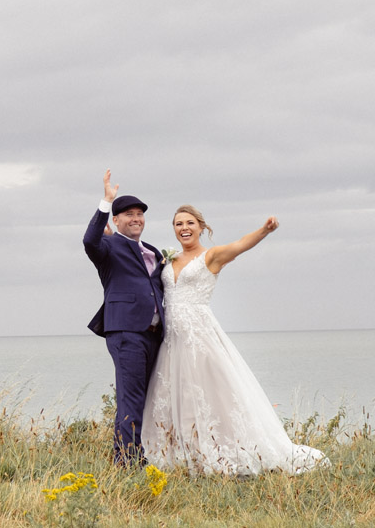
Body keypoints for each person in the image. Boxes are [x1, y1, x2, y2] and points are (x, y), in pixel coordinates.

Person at [142, 205, 328, 475]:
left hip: (200, 337)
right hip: (172, 340)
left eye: (190, 223)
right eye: (179, 223)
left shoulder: (212, 256)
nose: (184, 228)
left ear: (201, 228)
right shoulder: (168, 260)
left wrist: (265, 230)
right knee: (176, 395)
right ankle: (183, 453)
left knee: (212, 394)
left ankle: (223, 449)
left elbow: (241, 245)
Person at [83, 169, 165, 465]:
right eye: (128, 214)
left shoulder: (154, 251)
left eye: (139, 214)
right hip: (126, 332)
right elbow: (90, 241)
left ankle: (142, 453)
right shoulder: (108, 247)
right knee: (130, 399)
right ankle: (127, 461)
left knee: (145, 399)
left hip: (155, 335)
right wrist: (106, 201)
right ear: (115, 221)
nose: (135, 218)